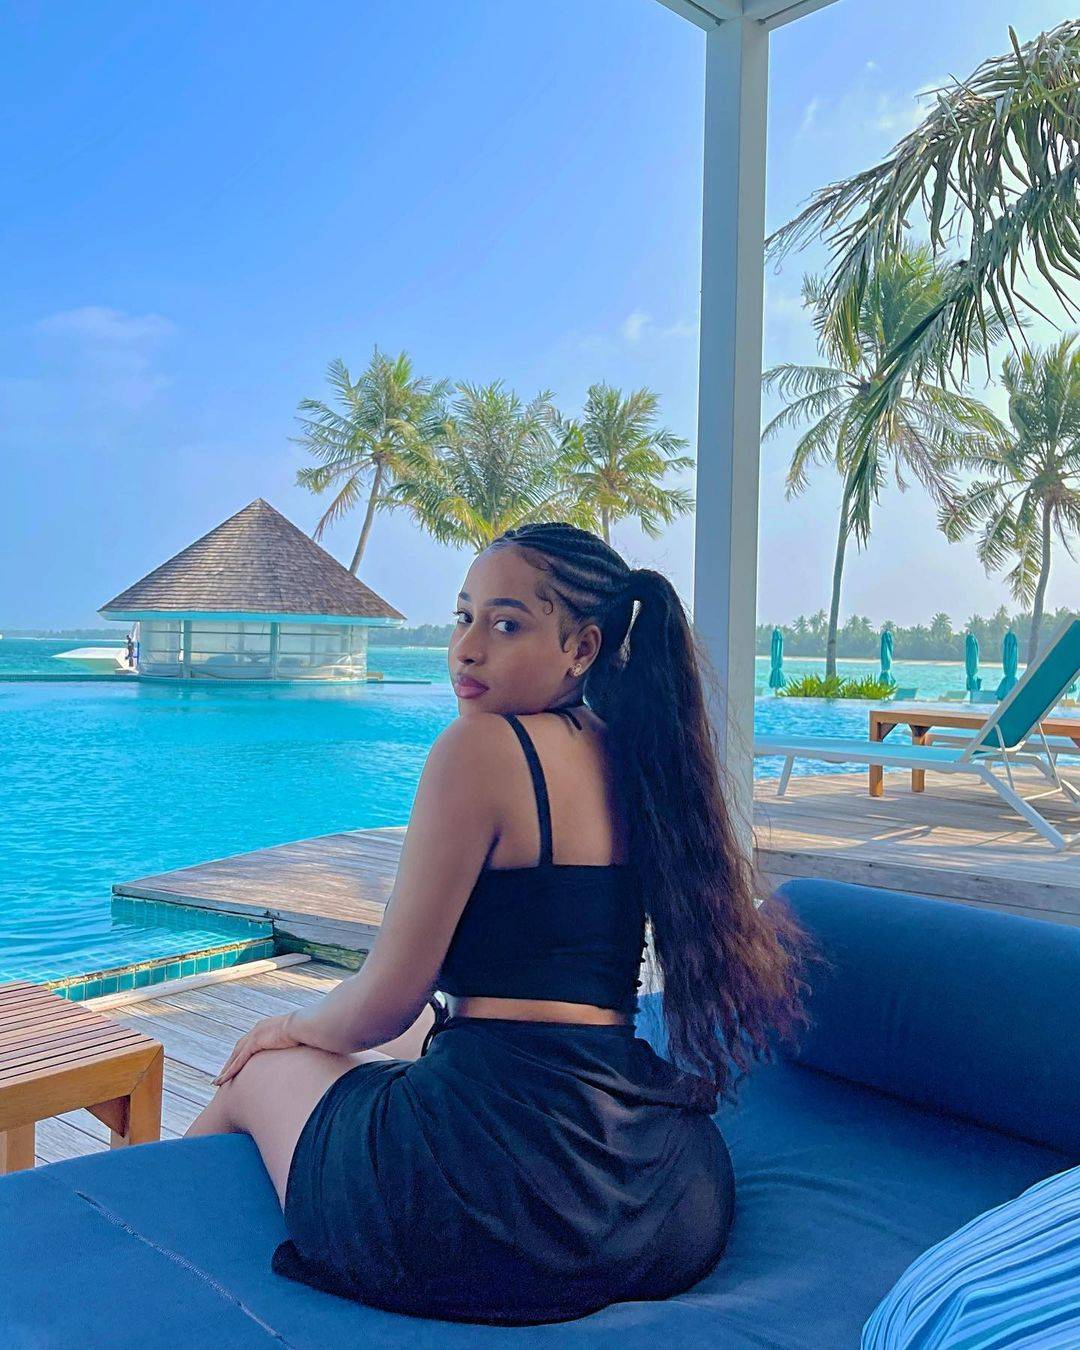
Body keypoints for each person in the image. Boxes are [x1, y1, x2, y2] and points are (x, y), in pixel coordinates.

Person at [184, 521, 822, 1325]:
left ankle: (143, 1239)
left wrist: (284, 1027)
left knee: (259, 1070)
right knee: (416, 1040)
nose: (468, 648)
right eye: (463, 617)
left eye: (507, 624)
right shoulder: (637, 755)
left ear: (582, 648)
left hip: (494, 1207)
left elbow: (386, 1003)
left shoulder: (479, 749)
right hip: (657, 1200)